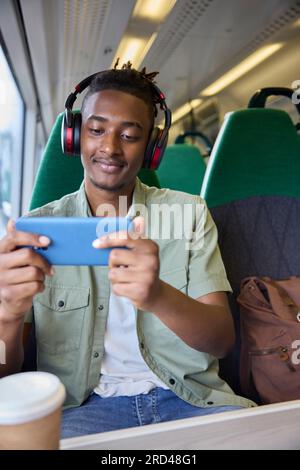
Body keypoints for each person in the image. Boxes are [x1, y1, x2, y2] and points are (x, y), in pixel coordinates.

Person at [0, 62, 255, 439]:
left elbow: (221, 341)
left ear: (152, 146)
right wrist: (7, 315)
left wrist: (156, 295)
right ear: (75, 136)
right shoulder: (37, 230)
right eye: (96, 130)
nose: (109, 147)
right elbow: (6, 374)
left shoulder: (188, 214)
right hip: (84, 411)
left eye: (130, 135)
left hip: (189, 401)